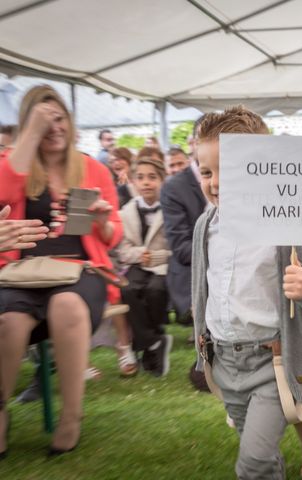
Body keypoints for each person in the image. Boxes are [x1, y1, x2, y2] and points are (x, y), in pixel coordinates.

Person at [192, 106, 302, 479]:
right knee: (259, 451)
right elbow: (205, 286)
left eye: (227, 172)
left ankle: (295, 457)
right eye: (206, 172)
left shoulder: (291, 218)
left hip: (273, 361)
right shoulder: (205, 225)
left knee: (254, 461)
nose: (214, 183)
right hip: (227, 360)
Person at [0, 85, 122, 457]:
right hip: (20, 271)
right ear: (28, 125)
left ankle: (72, 415)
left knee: (66, 305)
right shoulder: (14, 165)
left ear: (71, 123)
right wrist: (30, 134)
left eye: (60, 118)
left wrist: (101, 221)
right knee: (10, 319)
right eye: (43, 119)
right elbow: (3, 195)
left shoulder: (93, 168)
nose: (54, 127)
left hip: (80, 271)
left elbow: (113, 234)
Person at [118, 156, 172, 377]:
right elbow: (122, 249)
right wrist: (140, 255)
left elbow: (176, 246)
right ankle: (153, 342)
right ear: (133, 181)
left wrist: (157, 257)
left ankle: (152, 340)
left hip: (162, 265)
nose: (146, 183)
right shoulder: (125, 212)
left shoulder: (170, 209)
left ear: (162, 180)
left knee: (155, 290)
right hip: (137, 263)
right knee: (127, 289)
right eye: (140, 178)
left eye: (152, 177)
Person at [160, 123, 206, 326]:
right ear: (193, 143)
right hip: (194, 273)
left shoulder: (240, 177)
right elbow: (182, 248)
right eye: (206, 139)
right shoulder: (173, 187)